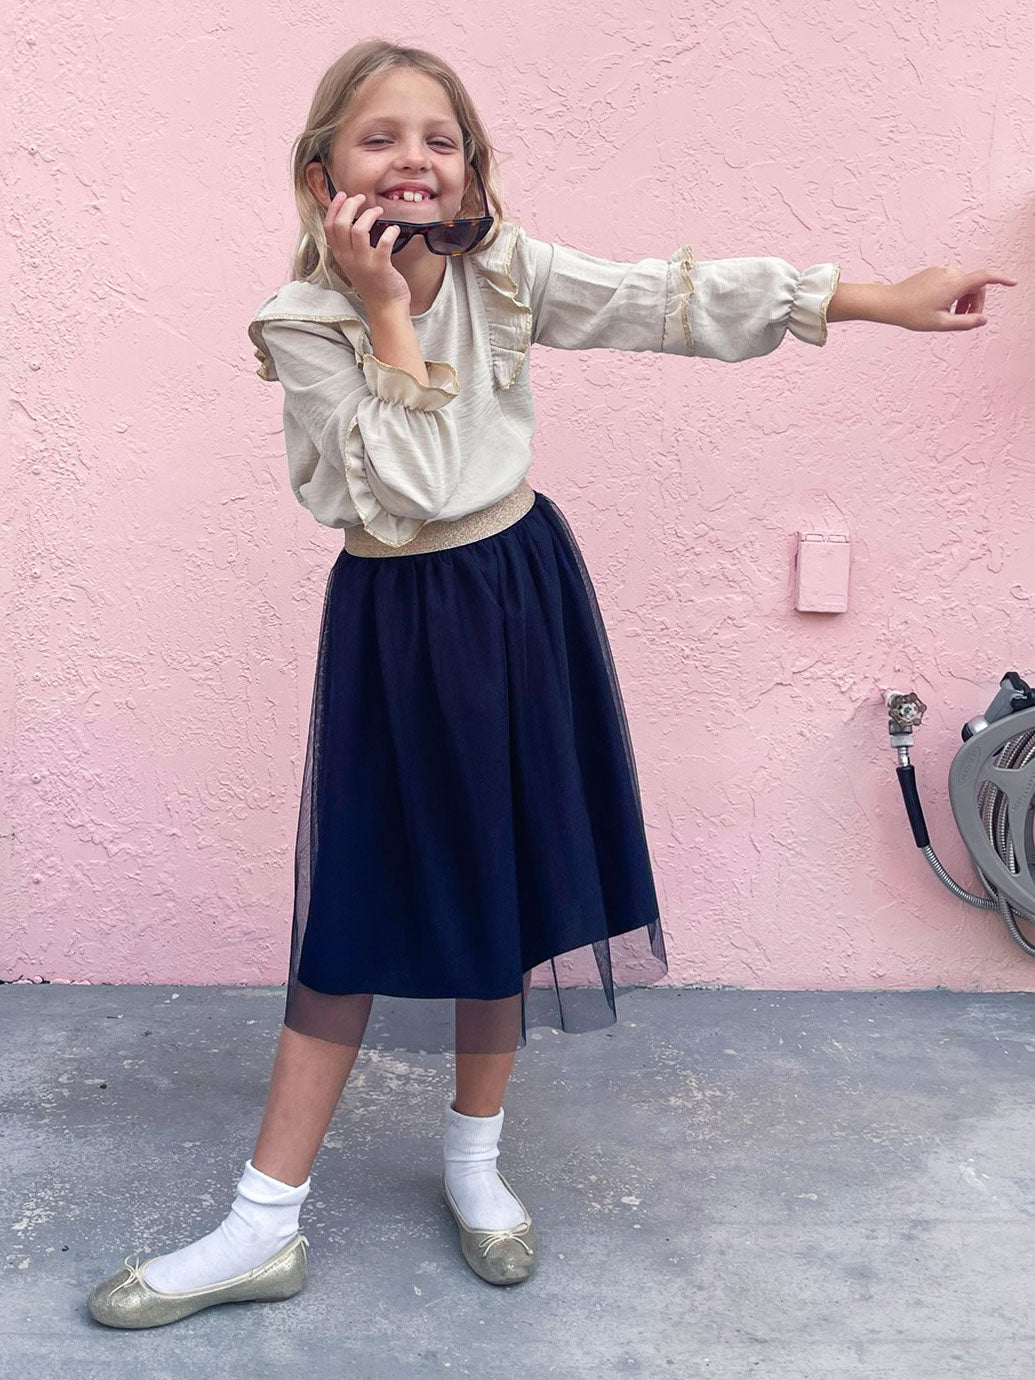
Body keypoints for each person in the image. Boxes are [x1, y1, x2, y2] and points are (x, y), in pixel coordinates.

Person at [87, 38, 1017, 1329]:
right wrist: (388, 311)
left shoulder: (506, 271)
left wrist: (870, 299)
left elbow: (666, 300)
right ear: (319, 177)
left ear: (473, 170)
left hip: (519, 595)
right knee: (351, 911)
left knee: (504, 884)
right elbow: (410, 488)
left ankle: (475, 1165)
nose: (413, 158)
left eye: (441, 138)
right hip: (398, 625)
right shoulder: (303, 325)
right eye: (378, 136)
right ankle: (262, 1223)